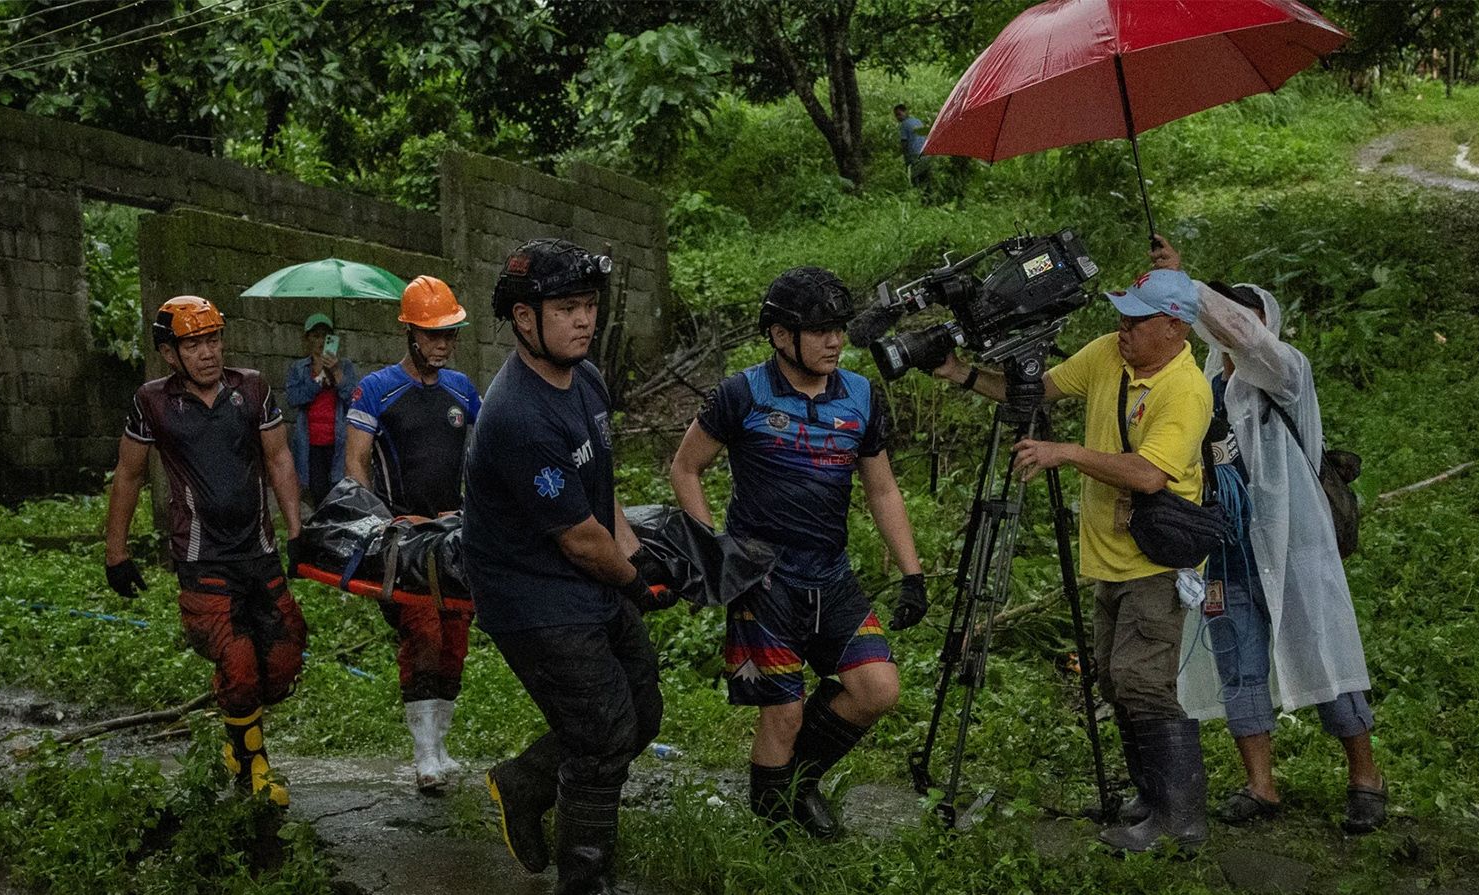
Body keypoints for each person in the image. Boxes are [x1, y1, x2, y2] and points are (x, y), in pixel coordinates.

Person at [933, 267, 1213, 853]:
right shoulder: (1108, 353)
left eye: (1137, 319)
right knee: (1114, 680)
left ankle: (1179, 820)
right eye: (1122, 314)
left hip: (1156, 561)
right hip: (1110, 556)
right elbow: (1032, 391)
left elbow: (1149, 474)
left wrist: (1065, 452)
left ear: (1175, 327)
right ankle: (1150, 799)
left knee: (1143, 683)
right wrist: (960, 372)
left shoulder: (1186, 390)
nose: (1123, 327)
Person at [668, 266, 927, 839]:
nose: (836, 341)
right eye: (820, 331)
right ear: (782, 335)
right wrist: (711, 551)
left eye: (839, 328)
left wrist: (913, 574)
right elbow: (686, 468)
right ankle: (775, 829)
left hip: (831, 576)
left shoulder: (860, 395)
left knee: (878, 688)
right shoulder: (741, 393)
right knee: (782, 713)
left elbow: (882, 490)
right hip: (763, 580)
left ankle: (795, 786)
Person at [1150, 239, 1386, 835]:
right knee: (1238, 665)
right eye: (1224, 315)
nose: (1232, 326)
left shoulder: (1286, 375)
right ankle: (1261, 785)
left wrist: (1185, 283)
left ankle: (1366, 778)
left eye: (1243, 315)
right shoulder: (1203, 386)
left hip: (1294, 548)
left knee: (1326, 654)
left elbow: (1248, 341)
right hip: (1227, 553)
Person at [467, 238, 669, 895]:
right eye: (566, 309)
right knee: (603, 733)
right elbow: (581, 539)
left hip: (585, 579)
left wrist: (637, 557)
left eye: (589, 305)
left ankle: (523, 784)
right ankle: (584, 880)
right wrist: (636, 583)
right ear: (524, 318)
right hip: (531, 597)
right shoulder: (517, 415)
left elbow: (599, 499)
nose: (584, 320)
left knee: (642, 707)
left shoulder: (586, 379)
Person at [103, 295, 306, 807]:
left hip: (259, 551)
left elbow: (279, 459)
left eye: (213, 340)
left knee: (283, 660)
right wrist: (116, 553)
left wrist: (297, 531)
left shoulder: (252, 388)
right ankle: (254, 766)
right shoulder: (152, 402)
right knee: (238, 663)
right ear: (169, 353)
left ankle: (236, 734)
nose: (208, 352)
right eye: (193, 344)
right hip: (202, 558)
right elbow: (128, 475)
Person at [343, 275, 483, 792]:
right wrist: (376, 527)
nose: (443, 344)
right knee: (422, 635)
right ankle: (424, 754)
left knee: (455, 640)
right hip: (403, 537)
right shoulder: (376, 389)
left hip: (455, 534)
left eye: (450, 334)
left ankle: (441, 747)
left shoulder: (462, 390)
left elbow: (489, 452)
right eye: (433, 334)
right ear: (410, 333)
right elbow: (355, 462)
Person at [285, 312, 360, 509]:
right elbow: (293, 398)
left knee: (340, 491)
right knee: (317, 491)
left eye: (325, 336)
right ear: (307, 339)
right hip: (311, 442)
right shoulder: (299, 368)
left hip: (338, 440)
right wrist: (318, 380)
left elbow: (354, 399)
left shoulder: (345, 366)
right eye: (316, 336)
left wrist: (336, 373)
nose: (320, 341)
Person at [894, 104, 930, 190]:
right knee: (925, 178)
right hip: (925, 152)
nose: (898, 117)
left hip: (915, 154)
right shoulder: (917, 121)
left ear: (905, 112)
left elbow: (904, 142)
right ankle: (927, 195)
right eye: (896, 115)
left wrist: (906, 159)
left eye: (899, 114)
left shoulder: (904, 124)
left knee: (914, 178)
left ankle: (916, 194)